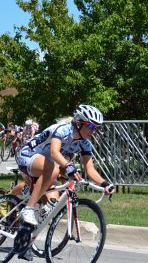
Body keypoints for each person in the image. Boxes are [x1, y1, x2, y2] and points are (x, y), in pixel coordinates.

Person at [15, 105, 114, 248]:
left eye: (96, 128)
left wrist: (105, 184)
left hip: (47, 166)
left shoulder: (85, 143)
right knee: (53, 169)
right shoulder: (63, 129)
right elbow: (55, 153)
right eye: (91, 126)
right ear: (79, 123)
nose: (94, 131)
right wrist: (68, 166)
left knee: (52, 203)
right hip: (28, 155)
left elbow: (90, 169)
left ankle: (26, 237)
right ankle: (28, 209)